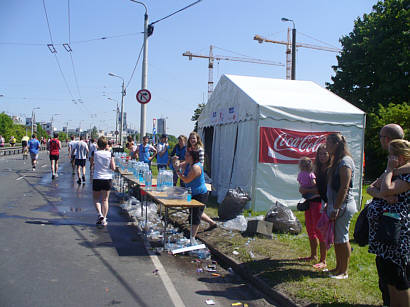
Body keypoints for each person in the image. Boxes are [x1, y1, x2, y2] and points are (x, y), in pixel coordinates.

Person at [366, 123, 407, 306]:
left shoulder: (403, 172)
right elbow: (373, 188)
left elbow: (387, 188)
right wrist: (383, 192)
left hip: (396, 235)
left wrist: (390, 172)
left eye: (381, 137)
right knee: (388, 277)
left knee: (398, 278)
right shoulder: (396, 169)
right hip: (384, 236)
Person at [325, 133, 356, 280]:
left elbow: (344, 187)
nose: (326, 146)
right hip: (335, 205)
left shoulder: (345, 162)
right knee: (337, 238)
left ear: (337, 144)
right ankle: (338, 267)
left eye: (328, 143)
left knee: (343, 238)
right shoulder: (336, 161)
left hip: (343, 206)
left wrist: (336, 208)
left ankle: (344, 271)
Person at [298, 144, 330, 270]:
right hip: (309, 202)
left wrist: (305, 189)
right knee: (310, 228)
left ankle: (323, 259)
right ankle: (313, 255)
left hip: (319, 203)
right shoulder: (315, 168)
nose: (322, 156)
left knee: (319, 229)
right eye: (320, 154)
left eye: (325, 153)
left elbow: (322, 189)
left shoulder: (329, 169)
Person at [176, 150, 217, 242]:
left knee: (195, 215)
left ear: (192, 157)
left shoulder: (196, 167)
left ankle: (192, 238)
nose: (185, 157)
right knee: (194, 211)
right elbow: (177, 165)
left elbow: (186, 180)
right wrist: (176, 163)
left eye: (187, 155)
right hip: (191, 192)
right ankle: (212, 223)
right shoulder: (189, 164)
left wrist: (179, 173)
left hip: (200, 194)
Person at [92, 136, 116, 227]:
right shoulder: (110, 154)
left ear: (98, 144)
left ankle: (100, 214)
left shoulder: (95, 153)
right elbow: (113, 168)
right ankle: (104, 219)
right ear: (106, 145)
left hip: (97, 178)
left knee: (96, 199)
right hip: (107, 178)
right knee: (105, 200)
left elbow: (92, 164)